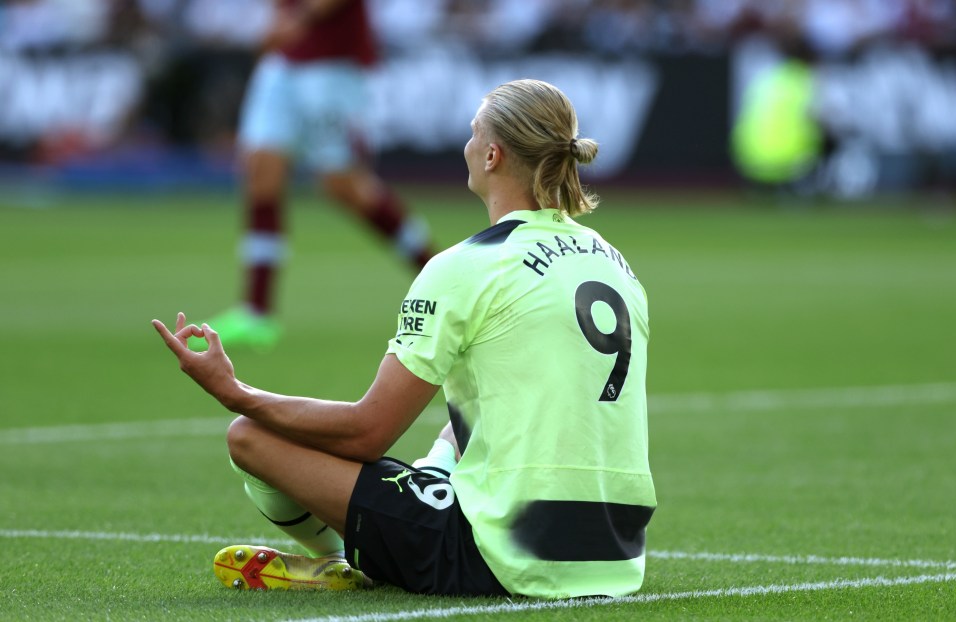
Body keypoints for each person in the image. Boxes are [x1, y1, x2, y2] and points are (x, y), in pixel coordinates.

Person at [154, 79, 657, 597]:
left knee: (251, 435)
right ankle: (394, 522)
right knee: (456, 429)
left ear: (491, 155)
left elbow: (366, 433)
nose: (465, 146)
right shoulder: (614, 262)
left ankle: (337, 560)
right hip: (616, 560)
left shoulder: (465, 266)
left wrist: (233, 391)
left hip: (502, 558)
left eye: (471, 134)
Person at [193, 0, 435, 351]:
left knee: (345, 186)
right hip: (284, 60)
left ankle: (440, 272)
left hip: (334, 66)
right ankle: (257, 312)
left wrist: (298, 17)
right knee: (261, 170)